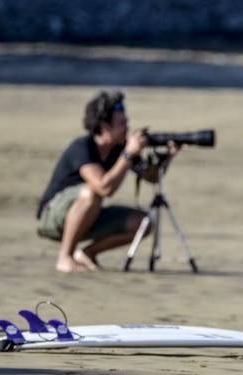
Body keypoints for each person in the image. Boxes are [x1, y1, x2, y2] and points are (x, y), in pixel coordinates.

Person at [36, 90, 183, 273]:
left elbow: (151, 177)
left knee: (143, 223)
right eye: (122, 124)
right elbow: (104, 187)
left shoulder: (119, 149)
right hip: (52, 218)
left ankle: (86, 254)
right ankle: (64, 257)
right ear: (104, 126)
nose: (127, 128)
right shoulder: (82, 147)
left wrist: (167, 157)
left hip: (88, 216)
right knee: (91, 193)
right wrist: (128, 154)